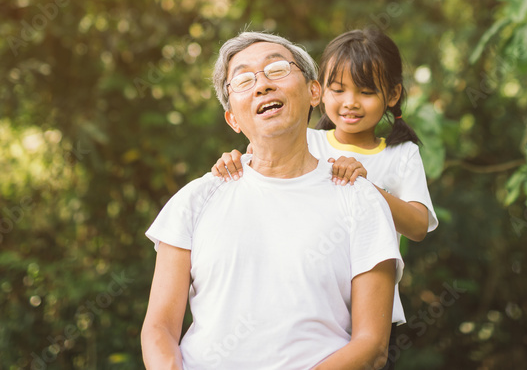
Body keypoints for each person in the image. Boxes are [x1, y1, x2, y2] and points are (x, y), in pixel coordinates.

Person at [141, 31, 403, 370]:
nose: (262, 84)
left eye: (277, 69)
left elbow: (372, 345)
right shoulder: (195, 200)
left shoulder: (360, 199)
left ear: (313, 92)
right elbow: (159, 328)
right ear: (232, 118)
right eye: (244, 80)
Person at [212, 28, 438, 370]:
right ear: (317, 91)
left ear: (392, 94)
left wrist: (367, 187)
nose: (350, 103)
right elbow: (259, 164)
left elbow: (419, 225)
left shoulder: (401, 154)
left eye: (366, 92)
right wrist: (231, 161)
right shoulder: (309, 141)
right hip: (308, 298)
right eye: (338, 89)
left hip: (368, 307)